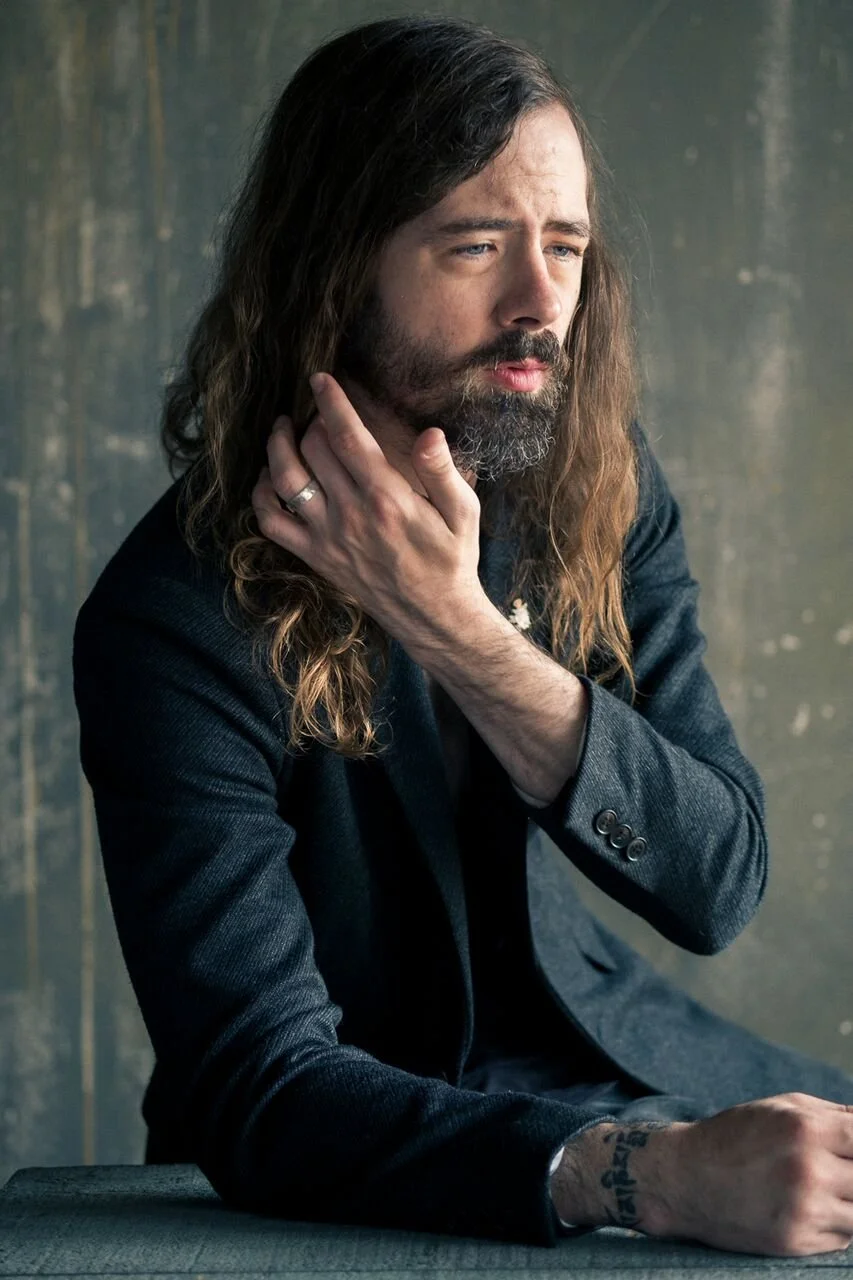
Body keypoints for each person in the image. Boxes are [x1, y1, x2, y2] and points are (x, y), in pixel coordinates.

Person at [72, 15, 853, 1258]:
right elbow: (257, 1082)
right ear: (335, 267)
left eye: (565, 245)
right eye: (477, 244)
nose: (542, 302)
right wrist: (641, 1176)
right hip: (374, 1155)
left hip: (628, 1060)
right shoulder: (168, 620)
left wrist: (460, 633)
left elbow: (718, 881)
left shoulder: (598, 483)